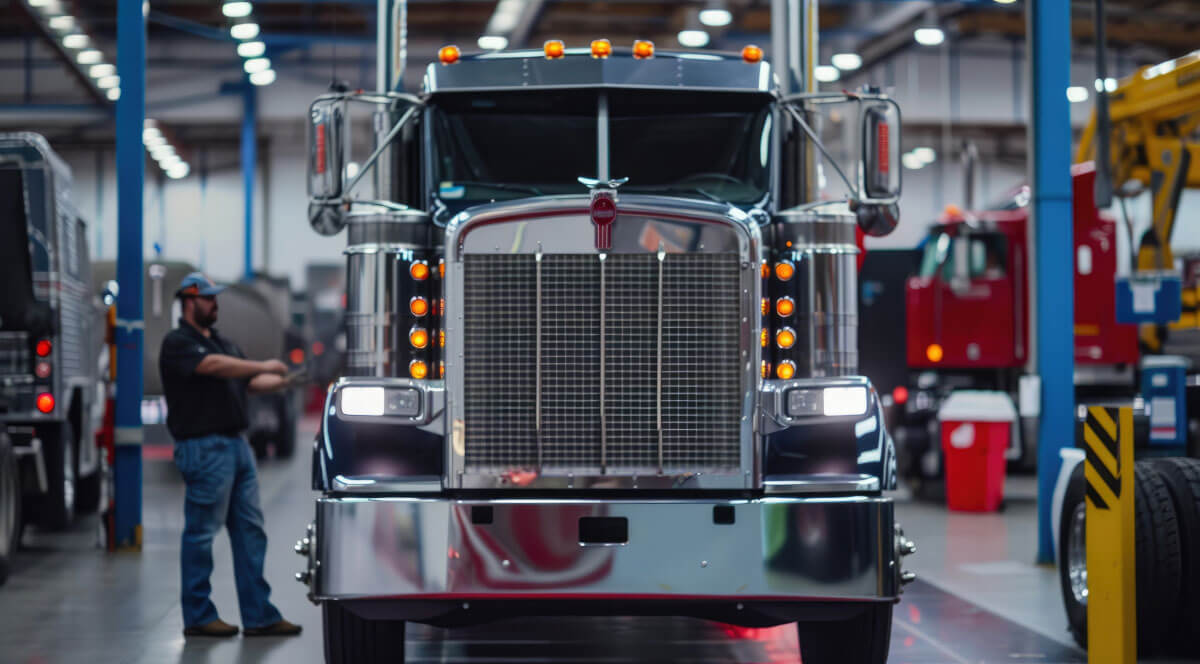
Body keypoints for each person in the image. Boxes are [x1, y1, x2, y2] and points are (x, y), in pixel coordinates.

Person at [159, 272, 302, 638]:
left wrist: (285, 381)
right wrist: (264, 365)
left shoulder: (224, 342)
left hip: (238, 447)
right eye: (208, 298)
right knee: (201, 535)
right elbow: (214, 367)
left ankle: (260, 616)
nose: (215, 304)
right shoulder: (179, 343)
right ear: (189, 301)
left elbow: (249, 383)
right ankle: (198, 615)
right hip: (204, 449)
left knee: (250, 533)